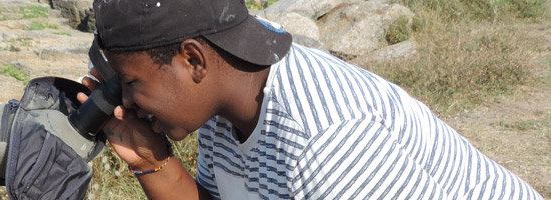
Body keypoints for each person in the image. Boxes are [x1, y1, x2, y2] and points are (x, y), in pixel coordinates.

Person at [76, 0, 543, 199]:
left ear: (193, 59)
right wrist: (148, 157)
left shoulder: (330, 141)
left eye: (131, 82)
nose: (129, 102)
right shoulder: (227, 99)